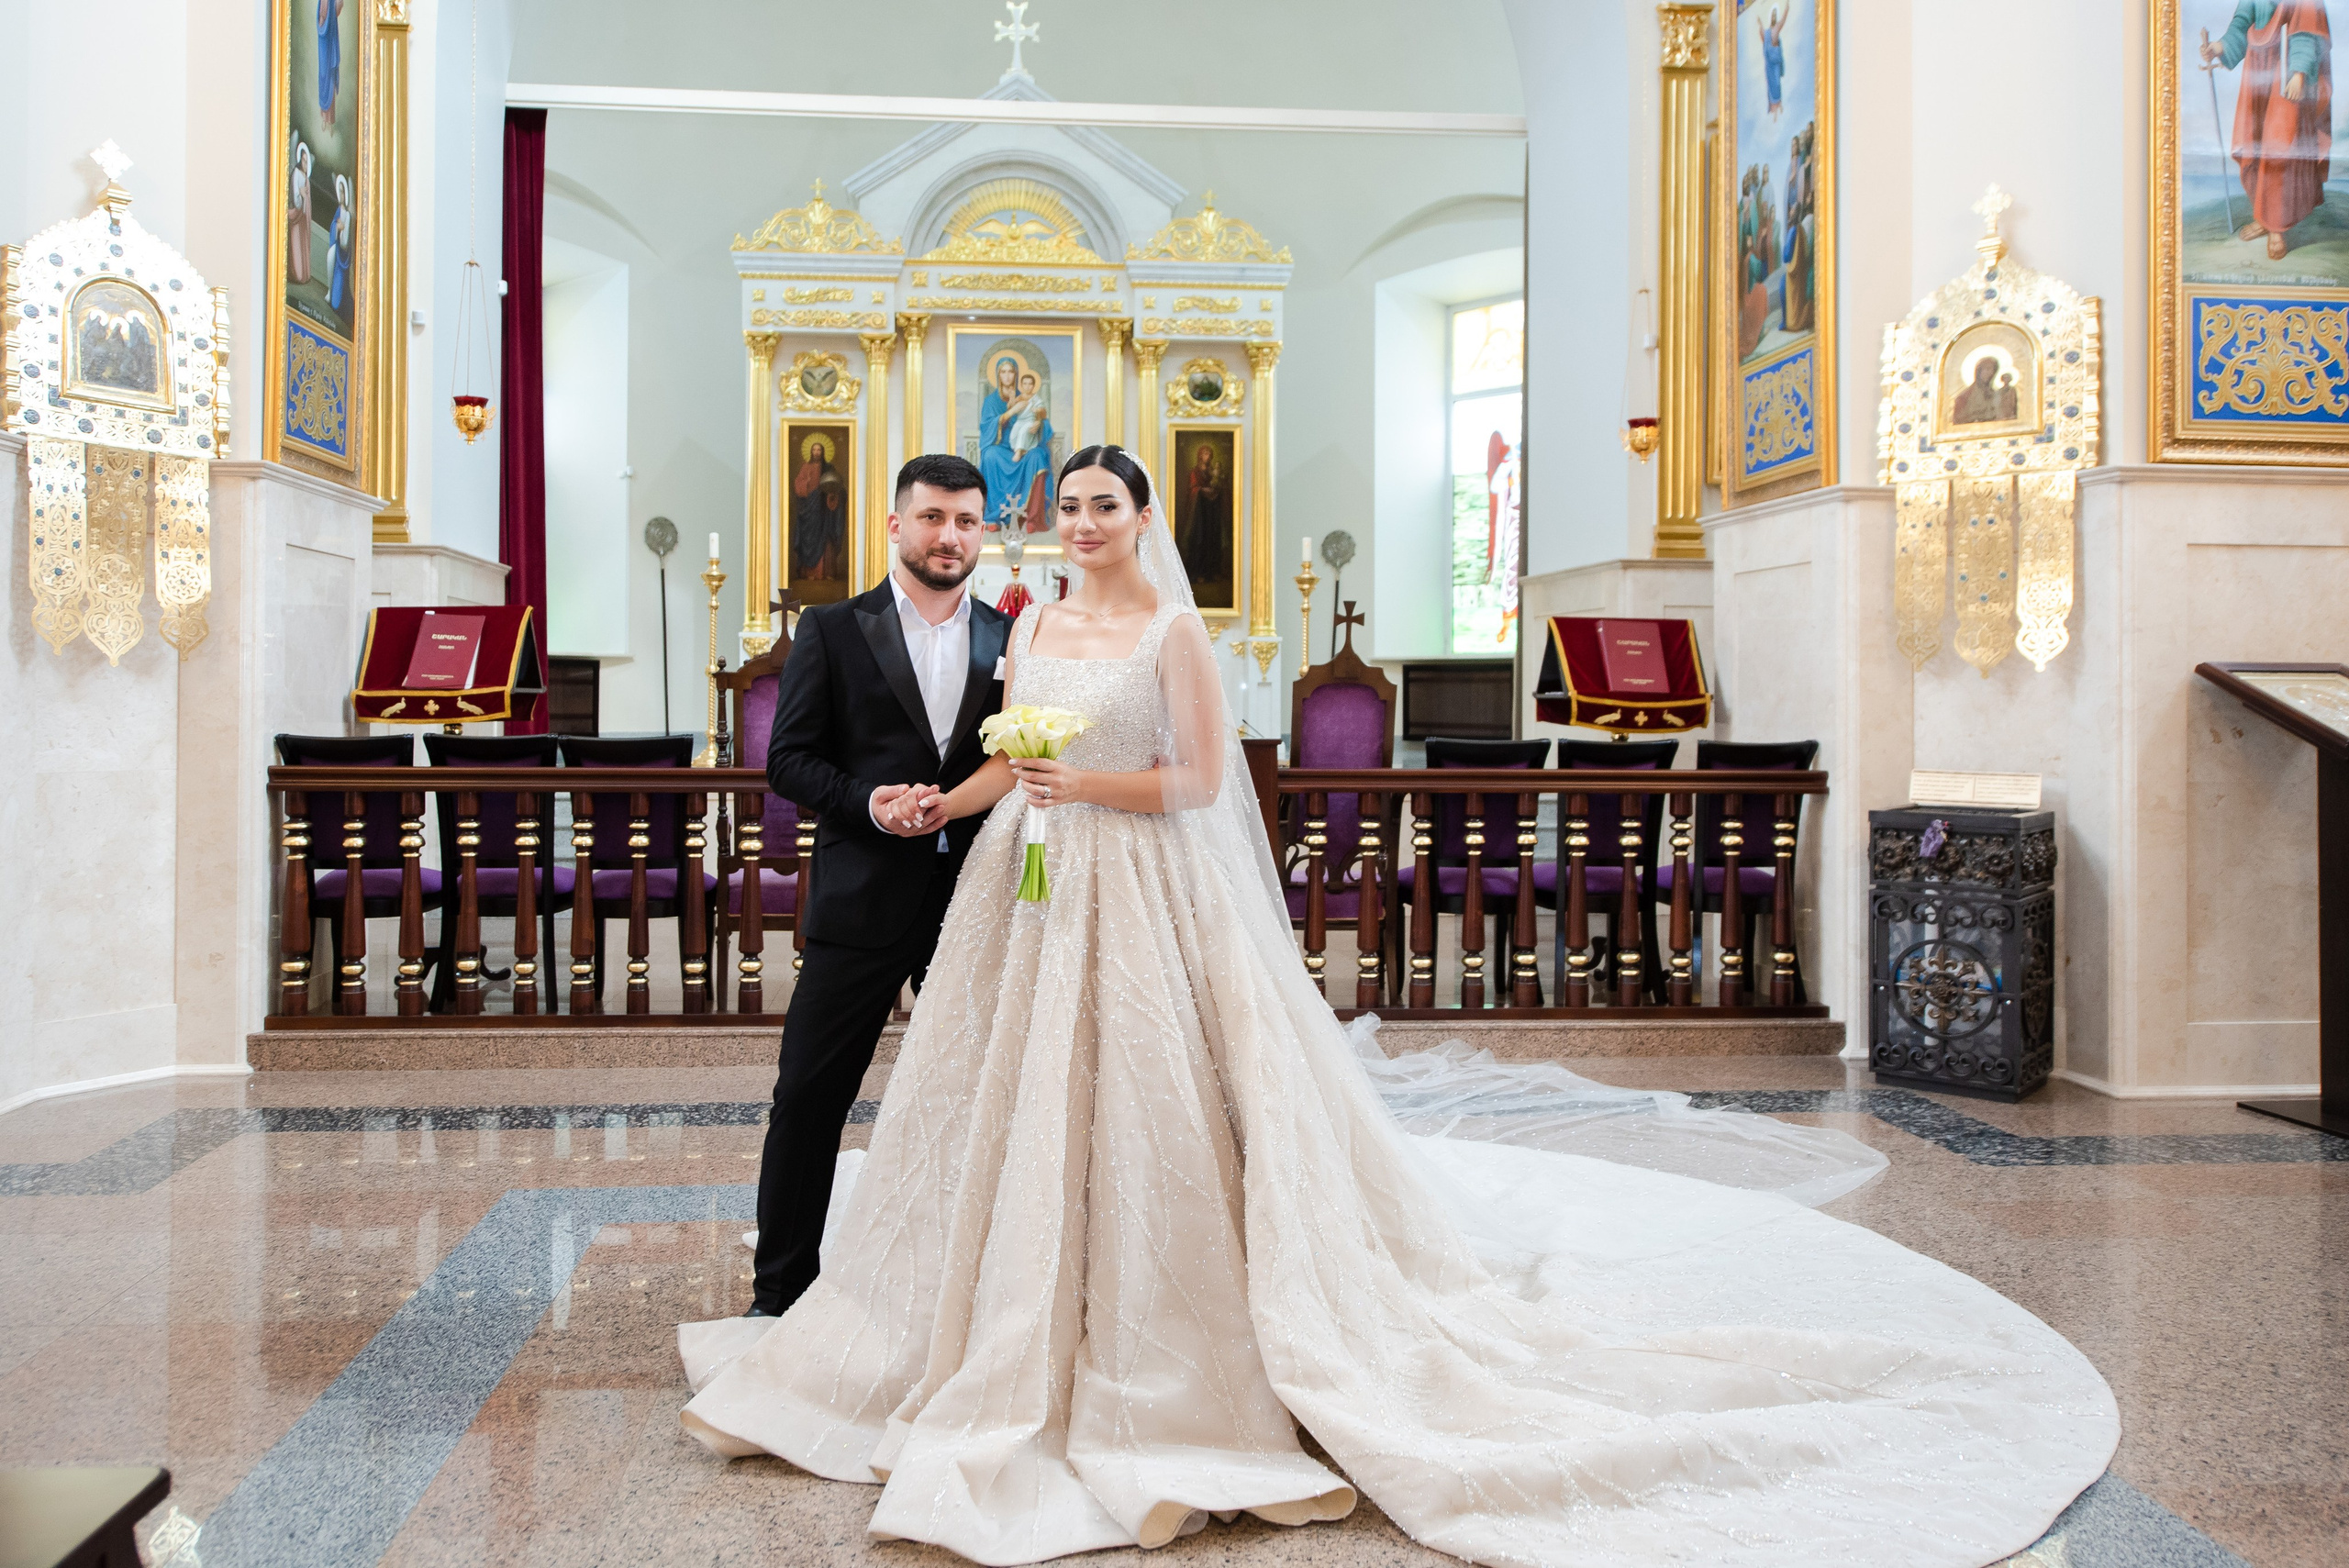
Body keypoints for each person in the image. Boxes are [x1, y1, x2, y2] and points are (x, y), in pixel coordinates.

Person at [681, 445, 2117, 1567]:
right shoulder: (1024, 623)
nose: (1082, 522)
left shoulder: (1169, 634)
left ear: (1135, 517)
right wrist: (965, 794)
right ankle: (870, 1289)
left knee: (1157, 1103)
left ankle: (1151, 1325)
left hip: (1129, 884)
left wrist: (1065, 787)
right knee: (981, 1095)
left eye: (1103, 502)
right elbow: (999, 752)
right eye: (1068, 503)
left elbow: (1192, 782)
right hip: (1020, 886)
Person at [744, 452, 1010, 1318]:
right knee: (810, 1096)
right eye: (932, 517)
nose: (949, 535)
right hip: (860, 900)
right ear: (896, 525)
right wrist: (869, 800)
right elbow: (788, 760)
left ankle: (972, 1288)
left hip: (974, 902)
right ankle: (780, 1290)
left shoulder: (1011, 641)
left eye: (966, 521)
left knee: (983, 1097)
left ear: (984, 533)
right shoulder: (832, 626)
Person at [2200, 3, 2333, 261]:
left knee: (2280, 148)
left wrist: (2299, 72)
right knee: (2252, 142)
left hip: (2288, 72)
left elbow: (2307, 27)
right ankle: (2263, 216)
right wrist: (2220, 46)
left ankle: (2277, 227)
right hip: (2257, 71)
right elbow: (2242, 20)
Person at [978, 352, 1053, 529]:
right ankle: (993, 517)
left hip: (1025, 447)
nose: (1007, 376)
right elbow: (986, 427)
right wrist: (1010, 413)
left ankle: (1032, 519)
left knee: (1038, 456)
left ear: (1016, 374)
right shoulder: (991, 401)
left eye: (1010, 372)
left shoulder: (1027, 396)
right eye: (1003, 372)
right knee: (989, 456)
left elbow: (1044, 420)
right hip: (1001, 447)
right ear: (997, 375)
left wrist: (1038, 423)